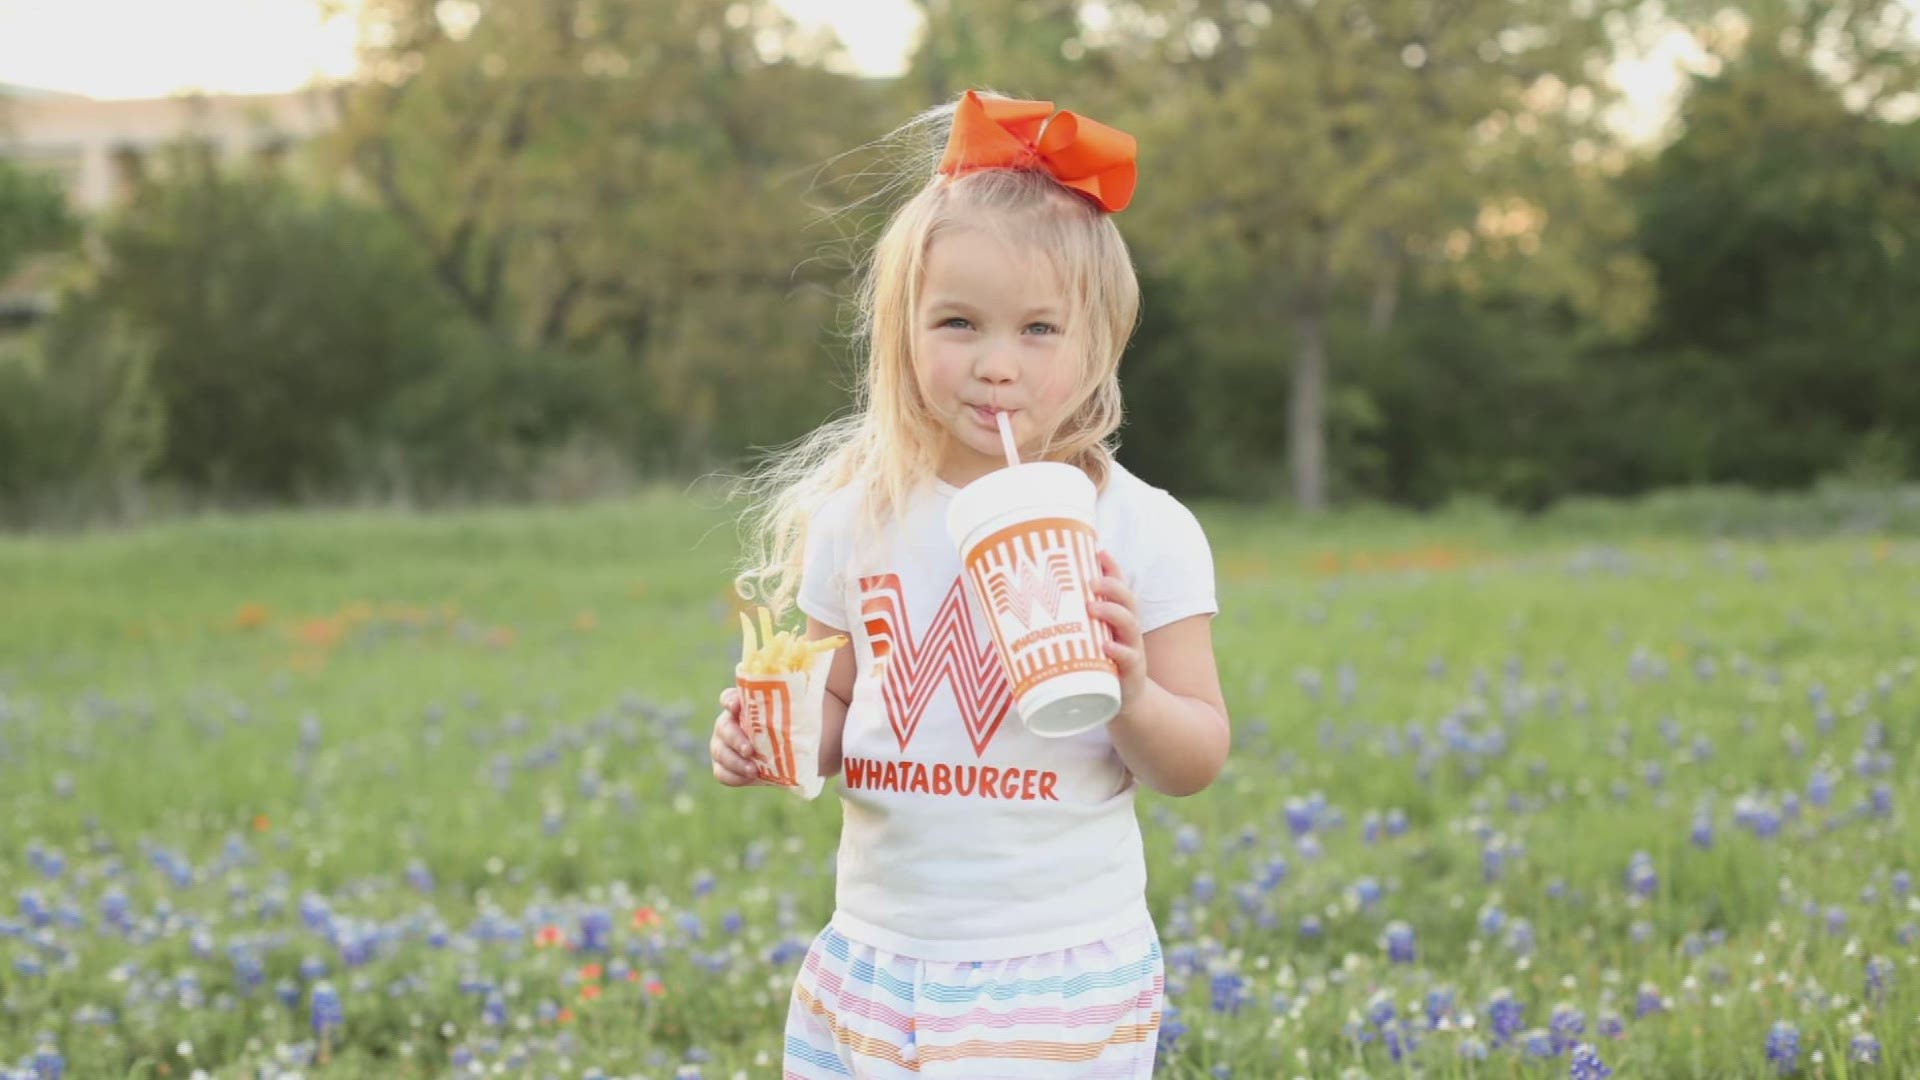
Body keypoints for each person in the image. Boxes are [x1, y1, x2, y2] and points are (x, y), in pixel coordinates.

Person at [714, 89, 1230, 1078]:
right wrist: (767, 736)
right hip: (877, 954)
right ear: (902, 332)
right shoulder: (856, 519)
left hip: (1049, 967)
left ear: (1101, 345)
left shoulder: (1145, 530)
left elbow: (1196, 755)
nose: (996, 365)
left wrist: (1131, 696)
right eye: (958, 322)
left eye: (1039, 329)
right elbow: (834, 701)